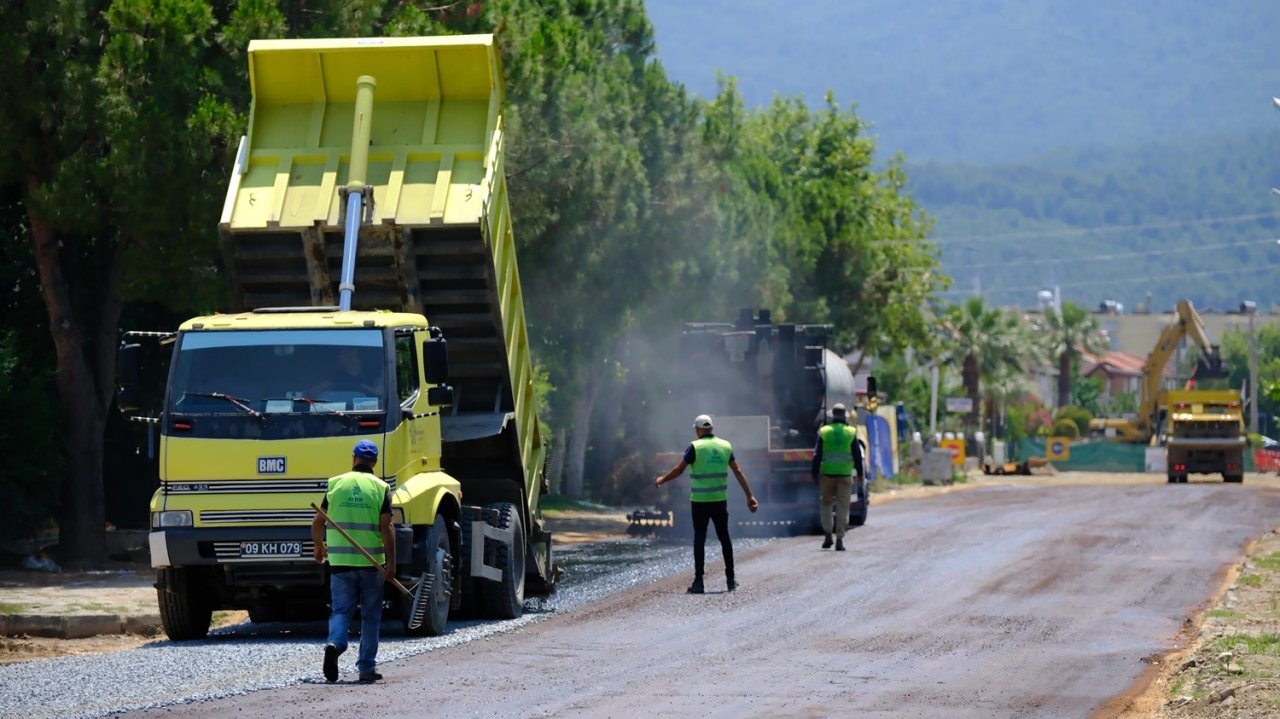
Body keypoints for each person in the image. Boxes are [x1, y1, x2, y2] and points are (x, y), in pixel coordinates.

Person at [311, 439, 395, 684]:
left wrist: (318, 546)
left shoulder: (336, 484)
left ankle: (335, 644)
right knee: (371, 616)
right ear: (374, 462)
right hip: (371, 564)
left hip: (340, 563)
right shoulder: (381, 487)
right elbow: (387, 527)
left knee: (340, 610)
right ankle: (366, 668)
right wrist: (392, 563)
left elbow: (318, 521)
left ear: (353, 459)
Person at [655, 414, 759, 593]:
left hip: (700, 502)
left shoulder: (695, 447)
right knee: (724, 538)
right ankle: (730, 580)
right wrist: (750, 496)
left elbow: (679, 470)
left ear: (698, 430)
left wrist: (662, 479)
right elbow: (738, 471)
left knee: (699, 539)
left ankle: (699, 582)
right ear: (711, 428)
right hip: (719, 501)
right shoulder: (725, 446)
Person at [810, 403, 866, 551]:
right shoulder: (850, 432)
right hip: (845, 475)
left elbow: (817, 455)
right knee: (843, 506)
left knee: (826, 504)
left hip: (827, 475)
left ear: (832, 416)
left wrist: (814, 474)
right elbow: (857, 456)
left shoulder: (824, 432)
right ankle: (839, 539)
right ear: (844, 416)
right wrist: (860, 474)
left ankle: (828, 535)